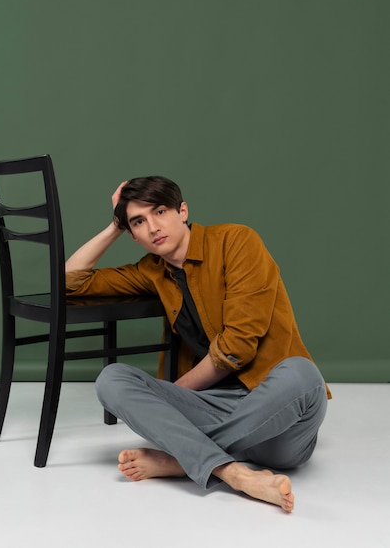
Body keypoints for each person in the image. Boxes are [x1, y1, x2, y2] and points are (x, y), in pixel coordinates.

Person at [65, 176, 330, 513]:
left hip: (278, 422)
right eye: (138, 222)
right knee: (111, 380)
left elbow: (237, 346)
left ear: (183, 210)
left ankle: (180, 458)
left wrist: (174, 401)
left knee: (303, 375)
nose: (153, 227)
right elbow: (70, 283)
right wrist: (114, 225)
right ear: (132, 235)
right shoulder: (152, 271)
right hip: (213, 406)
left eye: (160, 211)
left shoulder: (236, 241)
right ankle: (230, 469)